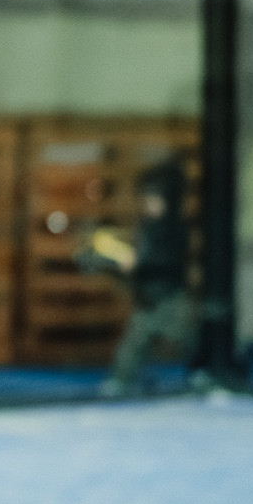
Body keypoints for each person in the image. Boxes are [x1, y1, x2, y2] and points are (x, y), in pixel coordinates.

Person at [82, 156, 196, 396]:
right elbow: (139, 258)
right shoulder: (148, 226)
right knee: (134, 344)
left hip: (170, 298)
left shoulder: (175, 229)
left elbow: (163, 261)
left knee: (189, 337)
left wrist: (136, 263)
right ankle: (120, 381)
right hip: (148, 298)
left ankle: (202, 373)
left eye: (155, 200)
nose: (149, 205)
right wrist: (116, 262)